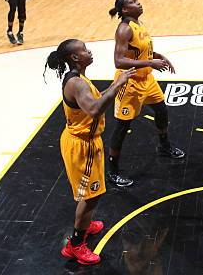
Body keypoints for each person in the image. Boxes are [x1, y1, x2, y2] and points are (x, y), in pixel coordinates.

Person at [44, 39, 136, 265]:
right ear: (74, 57)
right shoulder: (76, 83)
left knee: (93, 193)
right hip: (82, 146)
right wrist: (117, 84)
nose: (89, 51)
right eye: (84, 50)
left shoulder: (79, 78)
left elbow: (92, 100)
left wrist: (115, 85)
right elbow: (94, 109)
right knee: (90, 197)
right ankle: (75, 246)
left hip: (87, 143)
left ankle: (84, 225)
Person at [106, 0, 186, 187]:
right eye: (133, 2)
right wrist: (150, 62)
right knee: (122, 126)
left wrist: (157, 55)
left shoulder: (138, 23)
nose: (138, 2)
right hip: (130, 81)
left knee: (161, 110)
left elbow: (140, 51)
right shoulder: (124, 29)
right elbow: (119, 61)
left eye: (137, 0)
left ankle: (164, 146)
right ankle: (113, 171)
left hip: (147, 79)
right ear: (125, 10)